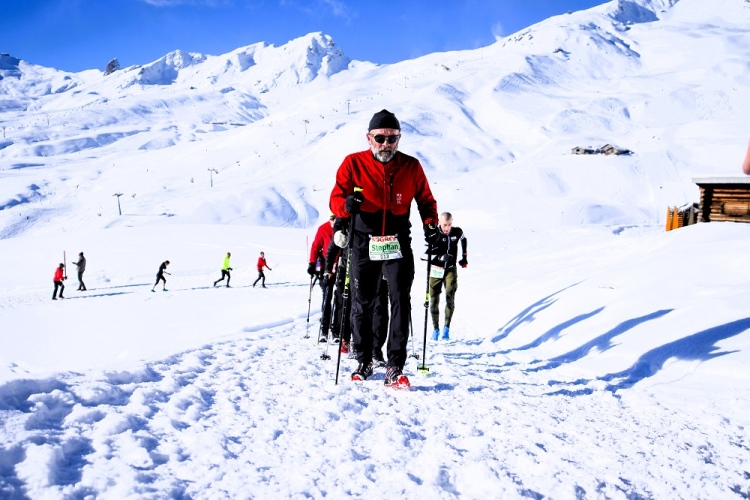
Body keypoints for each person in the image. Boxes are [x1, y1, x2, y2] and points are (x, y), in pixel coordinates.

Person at [329, 109, 439, 386]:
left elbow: (426, 200)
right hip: (363, 240)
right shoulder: (353, 163)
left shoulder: (411, 166)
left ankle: (394, 366)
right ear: (369, 138)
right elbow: (336, 199)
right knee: (362, 302)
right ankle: (364, 359)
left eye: (392, 139)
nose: (386, 144)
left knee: (400, 300)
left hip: (397, 240)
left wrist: (430, 225)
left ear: (399, 139)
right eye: (380, 138)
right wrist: (346, 206)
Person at [428, 212, 467, 341]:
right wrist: (439, 257)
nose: (447, 228)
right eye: (445, 225)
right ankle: (435, 329)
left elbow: (463, 238)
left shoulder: (456, 232)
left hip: (450, 269)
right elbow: (425, 255)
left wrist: (464, 257)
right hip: (436, 270)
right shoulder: (434, 234)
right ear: (440, 222)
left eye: (449, 224)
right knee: (434, 300)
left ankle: (446, 327)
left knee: (450, 296)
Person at [309, 214, 335, 342]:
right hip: (326, 267)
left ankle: (336, 329)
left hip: (341, 265)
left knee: (341, 298)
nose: (334, 221)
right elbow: (315, 246)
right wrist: (312, 263)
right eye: (332, 219)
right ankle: (325, 327)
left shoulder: (344, 226)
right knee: (327, 296)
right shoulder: (323, 229)